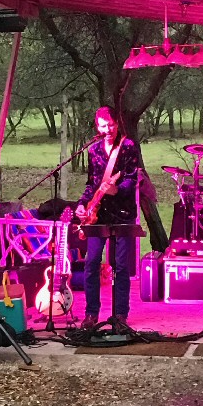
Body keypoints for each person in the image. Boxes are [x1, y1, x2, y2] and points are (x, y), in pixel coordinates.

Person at [75, 106, 139, 330]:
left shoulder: (128, 146)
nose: (108, 129)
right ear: (97, 127)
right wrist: (82, 204)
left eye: (111, 125)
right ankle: (91, 313)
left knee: (120, 265)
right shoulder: (93, 150)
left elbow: (132, 179)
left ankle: (120, 314)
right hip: (98, 214)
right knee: (91, 262)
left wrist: (117, 190)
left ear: (117, 124)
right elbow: (92, 183)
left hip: (122, 213)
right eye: (103, 126)